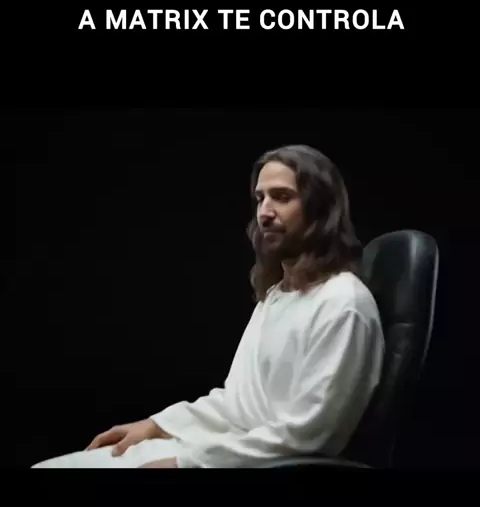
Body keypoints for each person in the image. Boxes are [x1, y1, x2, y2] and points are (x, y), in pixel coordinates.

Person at [32, 144, 385, 469]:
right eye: (260, 198)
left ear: (321, 209)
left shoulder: (343, 304)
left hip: (257, 462)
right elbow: (237, 404)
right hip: (227, 448)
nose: (264, 212)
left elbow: (306, 434)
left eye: (281, 197)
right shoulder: (277, 296)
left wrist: (186, 462)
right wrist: (157, 426)